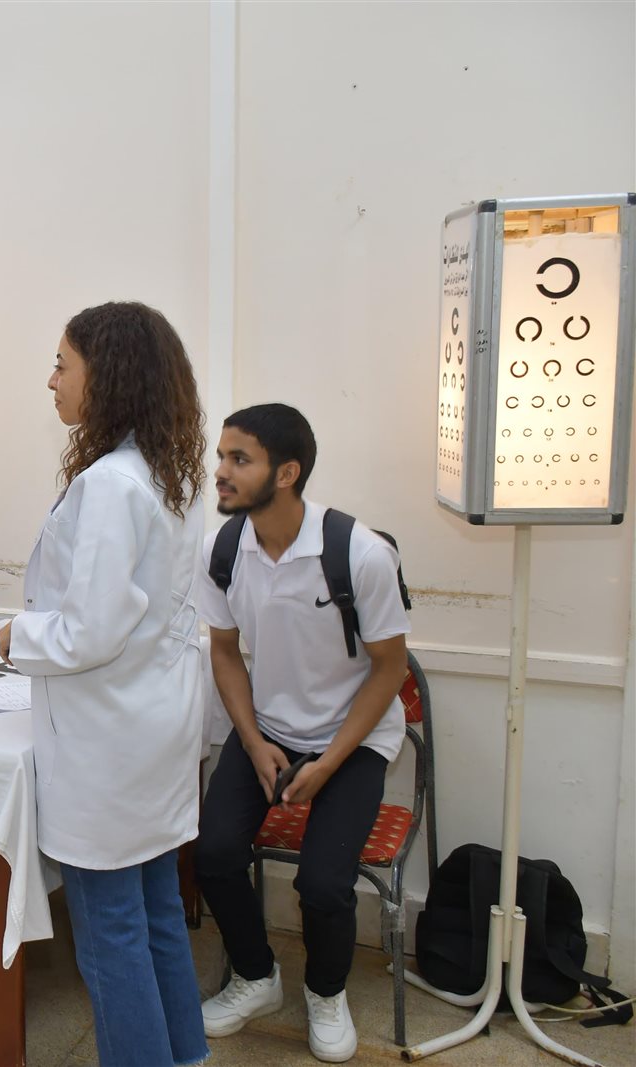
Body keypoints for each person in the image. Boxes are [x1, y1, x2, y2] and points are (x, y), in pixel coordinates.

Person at [0, 301, 208, 1067]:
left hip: (110, 743)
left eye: (63, 364)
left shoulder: (114, 483)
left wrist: (14, 636)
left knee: (111, 935)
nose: (51, 379)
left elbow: (89, 631)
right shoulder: (164, 472)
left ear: (108, 375)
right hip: (149, 725)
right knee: (155, 915)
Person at [194, 404, 410, 1064]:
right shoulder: (223, 549)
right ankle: (256, 976)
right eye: (221, 455)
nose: (221, 471)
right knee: (212, 853)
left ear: (286, 473)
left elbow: (390, 668)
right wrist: (254, 740)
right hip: (270, 729)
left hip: (354, 737)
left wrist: (329, 761)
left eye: (239, 459)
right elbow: (224, 651)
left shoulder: (360, 553)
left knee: (322, 883)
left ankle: (325, 991)